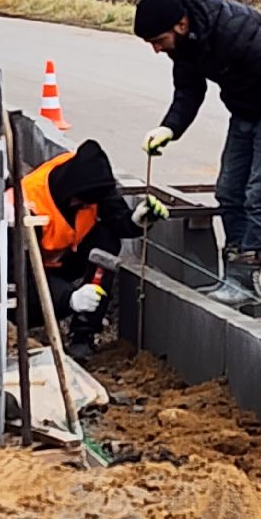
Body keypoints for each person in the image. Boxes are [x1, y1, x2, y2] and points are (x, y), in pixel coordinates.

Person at [134, 0, 261, 307]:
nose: (157, 50)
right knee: (229, 190)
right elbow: (189, 91)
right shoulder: (184, 47)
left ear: (181, 25)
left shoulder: (233, 28)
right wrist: (169, 128)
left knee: (259, 192)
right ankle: (232, 276)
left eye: (158, 41)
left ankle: (246, 281)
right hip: (244, 107)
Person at [18, 139, 167, 357]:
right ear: (73, 196)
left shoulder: (89, 180)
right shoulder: (28, 203)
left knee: (106, 239)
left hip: (65, 259)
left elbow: (115, 219)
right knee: (30, 292)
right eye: (84, 203)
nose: (88, 207)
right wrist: (68, 297)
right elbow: (18, 272)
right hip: (28, 278)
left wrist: (135, 221)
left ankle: (83, 335)